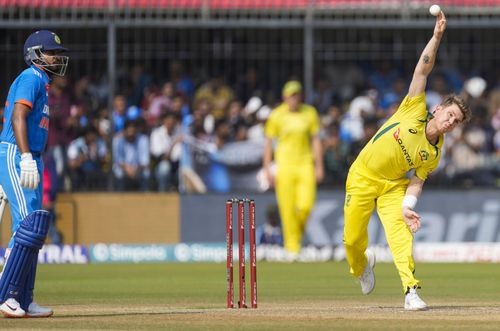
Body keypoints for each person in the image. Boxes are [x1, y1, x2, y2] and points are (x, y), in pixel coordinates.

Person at [343, 12, 471, 310]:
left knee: (401, 236)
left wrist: (407, 207)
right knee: (351, 240)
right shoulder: (414, 107)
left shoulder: (434, 153)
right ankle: (361, 266)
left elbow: (417, 180)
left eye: (457, 121)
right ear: (438, 109)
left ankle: (411, 291)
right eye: (450, 114)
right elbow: (422, 71)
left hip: (392, 187)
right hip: (362, 176)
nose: (451, 122)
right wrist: (437, 37)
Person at [0, 30, 69, 318]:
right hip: (18, 154)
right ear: (35, 54)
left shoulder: (42, 83)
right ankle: (7, 296)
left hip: (32, 158)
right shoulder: (30, 77)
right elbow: (18, 117)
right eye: (51, 52)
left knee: (35, 229)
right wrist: (25, 157)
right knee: (26, 226)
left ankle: (25, 299)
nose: (56, 57)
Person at [263, 80, 324, 261]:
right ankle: (292, 248)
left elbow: (315, 141)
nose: (294, 98)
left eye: (297, 94)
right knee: (287, 208)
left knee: (305, 206)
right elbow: (268, 143)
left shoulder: (309, 112)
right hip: (285, 165)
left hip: (305, 163)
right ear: (284, 97)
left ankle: (294, 241)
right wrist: (267, 168)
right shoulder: (276, 115)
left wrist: (319, 165)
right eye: (291, 95)